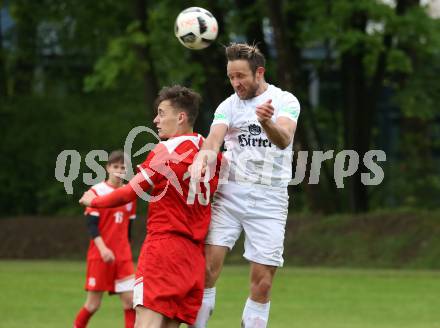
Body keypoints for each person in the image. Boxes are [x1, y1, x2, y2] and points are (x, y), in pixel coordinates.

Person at [79, 85, 221, 328]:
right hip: (193, 258)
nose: (156, 119)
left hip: (164, 249)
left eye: (161, 113)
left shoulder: (166, 151)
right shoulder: (210, 152)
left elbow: (127, 193)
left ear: (180, 117)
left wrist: (95, 201)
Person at [190, 43, 301, 328]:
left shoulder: (285, 101)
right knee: (205, 272)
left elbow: (284, 138)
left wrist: (266, 122)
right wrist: (203, 158)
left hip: (270, 199)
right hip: (229, 195)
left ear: (259, 72)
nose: (236, 83)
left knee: (262, 284)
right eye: (231, 77)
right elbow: (214, 140)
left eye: (241, 76)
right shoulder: (228, 106)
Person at [73, 150, 137, 328]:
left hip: (123, 257)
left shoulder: (129, 194)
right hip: (101, 255)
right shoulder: (96, 191)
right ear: (108, 168)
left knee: (130, 302)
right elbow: (91, 226)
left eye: (123, 167)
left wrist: (126, 250)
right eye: (115, 166)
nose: (118, 170)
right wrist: (103, 249)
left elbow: (129, 229)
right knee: (93, 305)